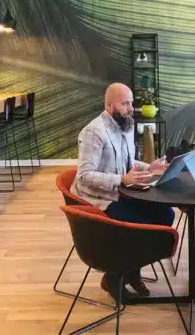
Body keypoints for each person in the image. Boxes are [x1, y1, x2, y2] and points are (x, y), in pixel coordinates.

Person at [74, 83, 173, 301]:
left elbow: (127, 161)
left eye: (131, 103)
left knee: (166, 215)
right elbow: (83, 176)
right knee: (140, 227)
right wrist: (121, 179)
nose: (130, 108)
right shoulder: (93, 132)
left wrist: (149, 168)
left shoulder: (126, 125)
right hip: (100, 199)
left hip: (124, 192)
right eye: (125, 103)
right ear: (109, 104)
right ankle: (114, 277)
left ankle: (131, 271)